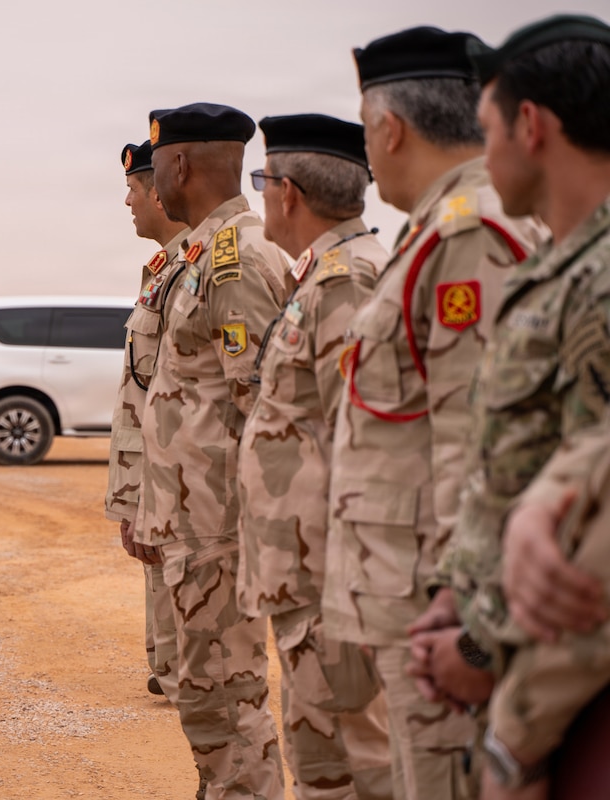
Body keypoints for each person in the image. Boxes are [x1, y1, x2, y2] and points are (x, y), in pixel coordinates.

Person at [319, 26, 545, 800]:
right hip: (411, 595)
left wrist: (465, 625)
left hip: (436, 608)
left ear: (389, 127)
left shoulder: (470, 234)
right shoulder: (435, 231)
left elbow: (481, 445)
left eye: (367, 131)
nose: (370, 152)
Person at [401, 15, 610, 800]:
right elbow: (515, 469)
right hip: (503, 647)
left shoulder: (600, 284)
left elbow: (589, 539)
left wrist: (482, 656)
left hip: (560, 697)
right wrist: (456, 601)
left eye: (485, 131)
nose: (481, 156)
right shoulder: (557, 267)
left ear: (530, 126)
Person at [138, 102, 293, 800]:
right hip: (194, 521)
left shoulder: (236, 260)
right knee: (205, 696)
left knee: (228, 698)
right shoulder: (201, 253)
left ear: (180, 163)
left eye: (158, 162)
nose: (153, 178)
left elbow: (265, 407)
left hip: (222, 527)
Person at [238, 114, 393, 800]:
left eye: (262, 181)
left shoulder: (348, 283)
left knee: (357, 765)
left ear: (288, 191)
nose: (263, 195)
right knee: (323, 758)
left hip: (334, 583)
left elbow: (368, 447)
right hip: (308, 577)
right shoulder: (325, 275)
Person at [106, 140, 189, 701]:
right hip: (155, 479)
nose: (127, 202)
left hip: (184, 483)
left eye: (134, 190)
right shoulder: (163, 268)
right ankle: (171, 666)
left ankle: (186, 673)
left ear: (158, 192)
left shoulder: (197, 266)